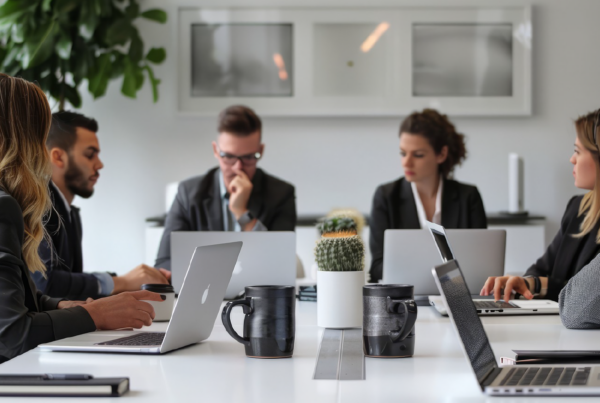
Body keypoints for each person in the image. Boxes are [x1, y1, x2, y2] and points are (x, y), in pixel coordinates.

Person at [0, 73, 163, 362]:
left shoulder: (29, 207)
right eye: (39, 136)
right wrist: (94, 313)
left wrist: (68, 308)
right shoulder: (5, 208)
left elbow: (25, 298)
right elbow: (11, 336)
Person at [32, 111, 171, 300]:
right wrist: (120, 282)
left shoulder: (69, 212)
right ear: (58, 157)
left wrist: (132, 283)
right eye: (90, 155)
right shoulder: (39, 208)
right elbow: (45, 284)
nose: (99, 164)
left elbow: (69, 293)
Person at [155, 105, 296, 270]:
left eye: (249, 157)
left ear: (261, 151)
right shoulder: (188, 193)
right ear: (216, 150)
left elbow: (279, 263)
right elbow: (164, 263)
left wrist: (242, 214)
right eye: (228, 156)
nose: (238, 167)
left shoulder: (281, 194)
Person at [481, 109, 600, 304]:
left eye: (578, 151)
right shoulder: (578, 208)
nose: (572, 159)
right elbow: (540, 270)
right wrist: (524, 282)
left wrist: (537, 284)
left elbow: (585, 298)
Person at [369, 109, 487, 283]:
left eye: (418, 155)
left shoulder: (468, 197)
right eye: (403, 153)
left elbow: (480, 261)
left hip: (457, 296)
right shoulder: (386, 197)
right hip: (406, 297)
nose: (406, 162)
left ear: (441, 154)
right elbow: (378, 267)